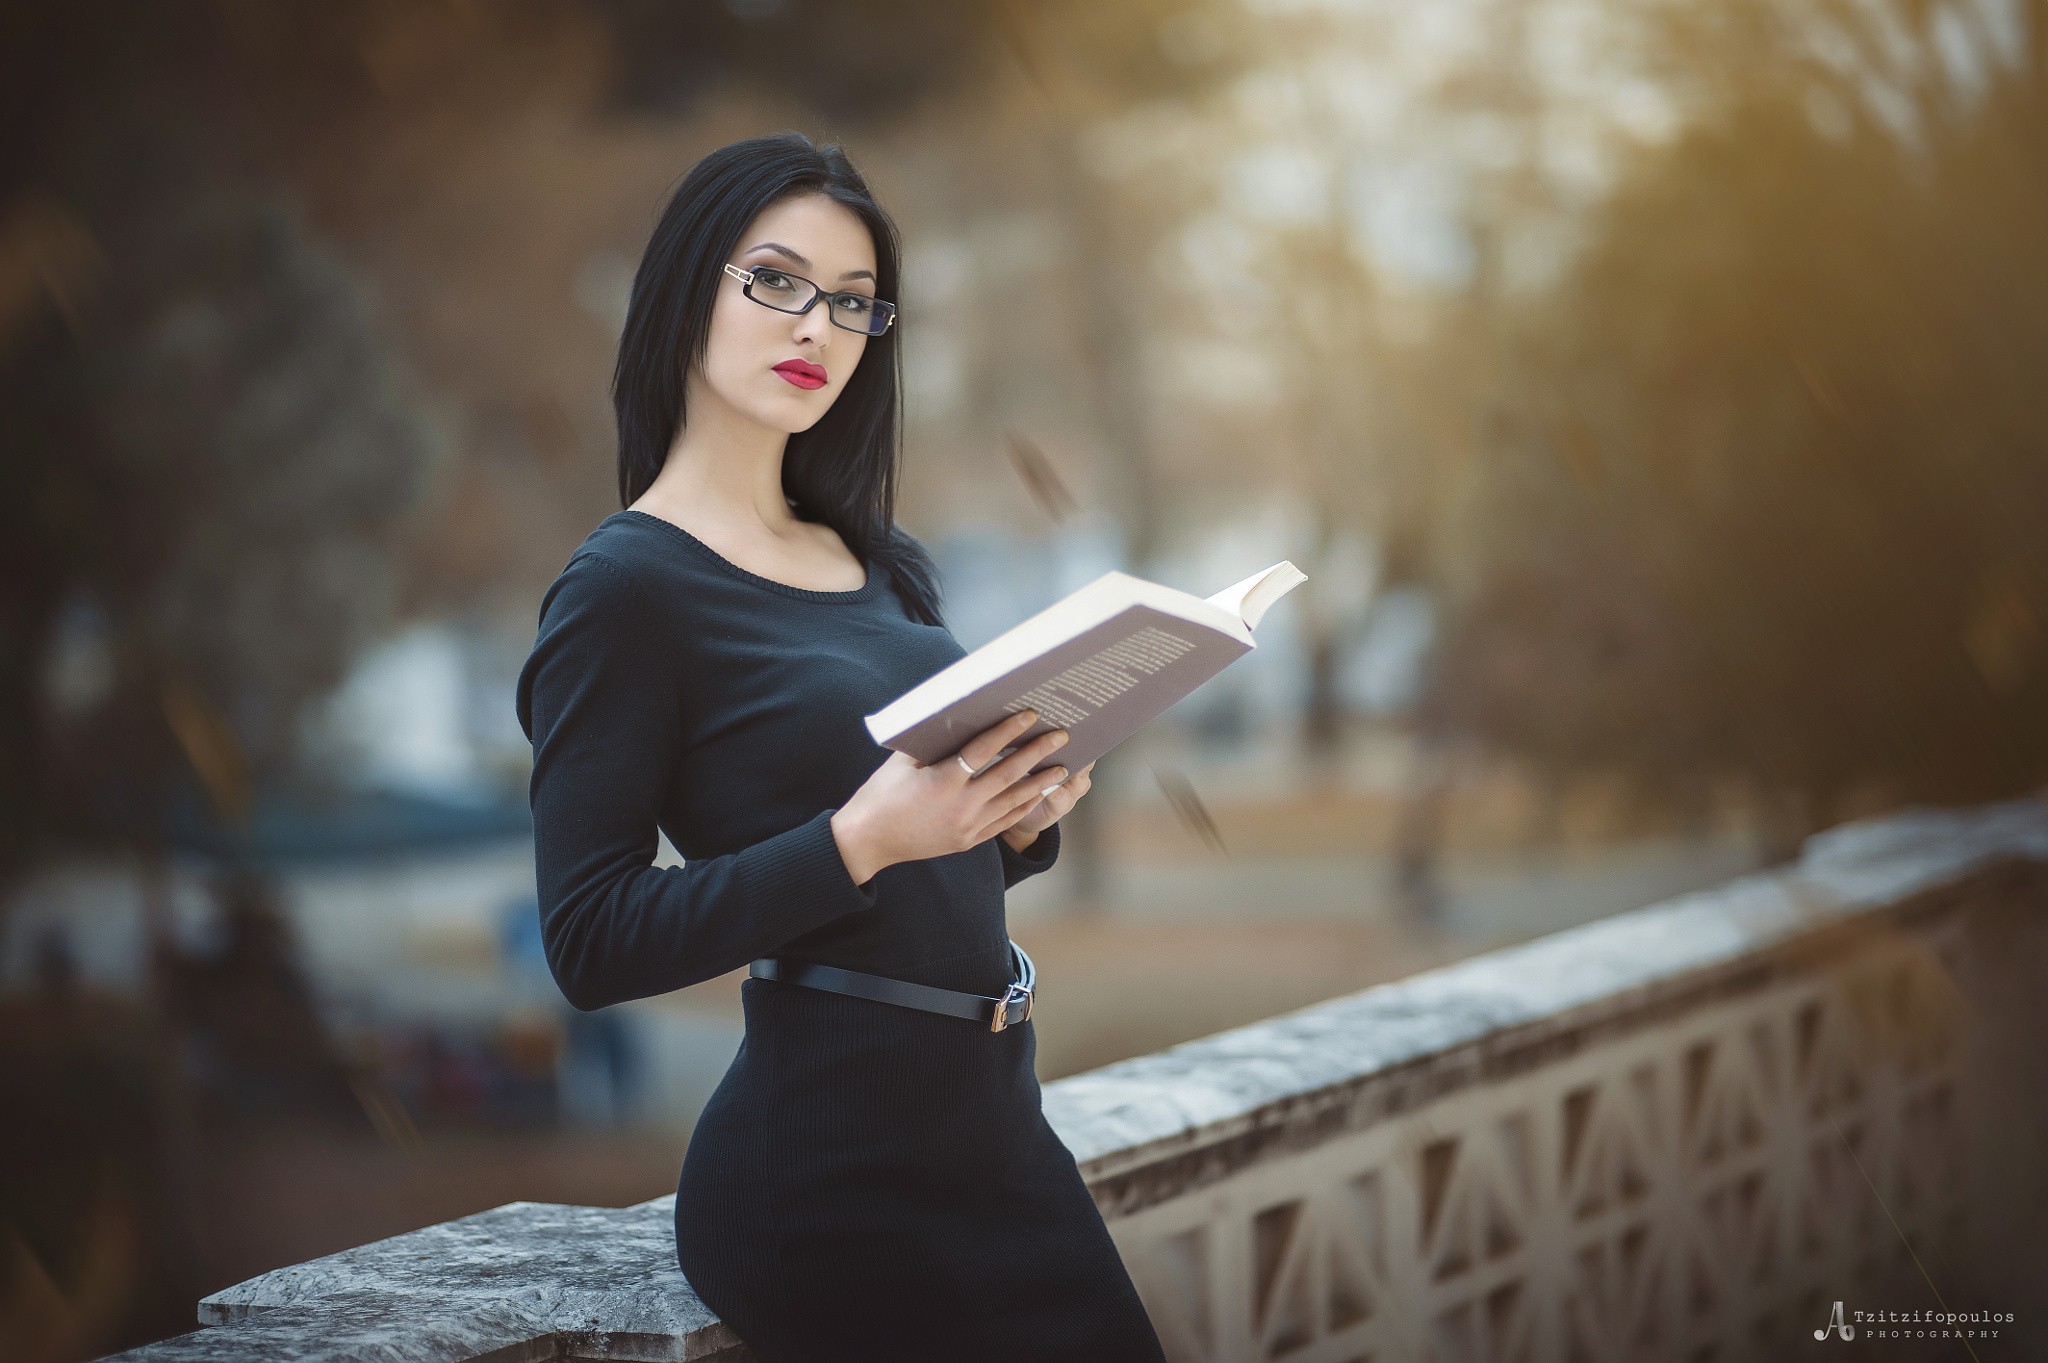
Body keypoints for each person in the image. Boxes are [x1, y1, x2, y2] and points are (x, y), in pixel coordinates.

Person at [515, 131, 1166, 1362]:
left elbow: (934, 855)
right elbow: (589, 939)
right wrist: (859, 840)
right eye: (775, 280)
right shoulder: (623, 590)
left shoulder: (877, 559)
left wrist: (1019, 813)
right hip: (823, 1177)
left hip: (996, 1136)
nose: (817, 324)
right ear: (682, 291)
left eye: (855, 303)